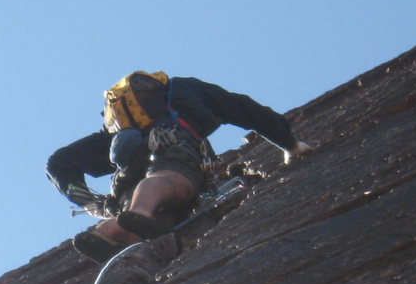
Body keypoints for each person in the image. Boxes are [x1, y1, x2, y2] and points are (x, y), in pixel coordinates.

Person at [46, 71, 312, 263]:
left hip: (127, 185)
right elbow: (244, 108)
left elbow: (59, 163)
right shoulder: (181, 93)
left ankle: (111, 232)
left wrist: (93, 205)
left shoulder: (116, 135)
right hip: (172, 159)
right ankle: (140, 215)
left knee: (145, 216)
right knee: (172, 180)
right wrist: (290, 144)